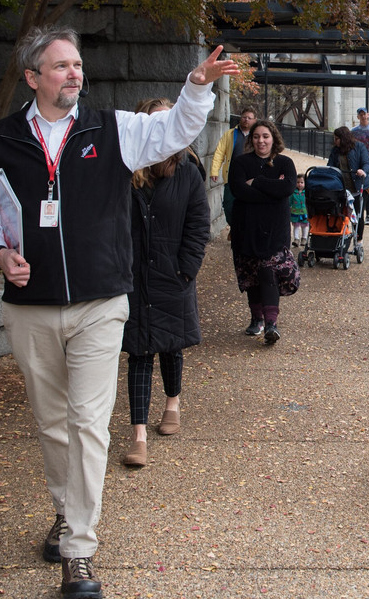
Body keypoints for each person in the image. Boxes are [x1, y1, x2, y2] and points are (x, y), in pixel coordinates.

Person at [0, 24, 238, 598]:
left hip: (101, 304)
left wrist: (197, 85)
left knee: (88, 424)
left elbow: (174, 130)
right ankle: (66, 512)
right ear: (34, 77)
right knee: (52, 423)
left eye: (78, 65)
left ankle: (79, 551)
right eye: (62, 66)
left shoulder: (111, 128)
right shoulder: (0, 140)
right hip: (31, 308)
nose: (75, 74)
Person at [120, 98, 211, 470]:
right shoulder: (126, 169)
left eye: (167, 121)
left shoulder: (188, 170)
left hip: (172, 275)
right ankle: (138, 434)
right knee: (139, 353)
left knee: (172, 346)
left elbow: (198, 224)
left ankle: (173, 402)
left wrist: (185, 270)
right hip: (134, 277)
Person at [228, 119, 298, 346]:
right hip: (246, 228)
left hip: (275, 230)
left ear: (273, 138)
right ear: (252, 139)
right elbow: (239, 190)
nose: (261, 141)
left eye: (265, 136)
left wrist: (256, 182)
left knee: (269, 271)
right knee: (252, 274)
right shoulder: (240, 163)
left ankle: (271, 323)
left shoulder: (285, 163)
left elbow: (287, 188)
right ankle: (256, 318)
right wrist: (271, 190)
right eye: (257, 136)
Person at [210, 107, 257, 223]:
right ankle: (233, 226)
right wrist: (214, 171)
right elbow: (220, 152)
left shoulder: (257, 136)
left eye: (249, 118)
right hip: (232, 177)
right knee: (228, 205)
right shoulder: (230, 134)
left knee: (249, 206)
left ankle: (243, 231)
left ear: (254, 120)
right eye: (244, 117)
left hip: (251, 178)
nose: (246, 120)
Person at [327, 125, 369, 241]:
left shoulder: (359, 147)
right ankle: (340, 237)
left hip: (358, 186)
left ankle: (358, 239)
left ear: (344, 138)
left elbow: (366, 163)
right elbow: (330, 165)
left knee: (358, 215)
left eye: (337, 138)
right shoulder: (335, 151)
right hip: (342, 188)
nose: (335, 141)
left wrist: (363, 171)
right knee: (340, 213)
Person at [290, 173, 309, 247]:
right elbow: (290, 202)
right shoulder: (293, 192)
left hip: (305, 213)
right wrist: (289, 207)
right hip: (295, 213)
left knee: (305, 226)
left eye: (301, 182)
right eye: (297, 182)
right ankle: (296, 239)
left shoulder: (306, 193)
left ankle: (304, 238)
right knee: (296, 226)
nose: (299, 184)